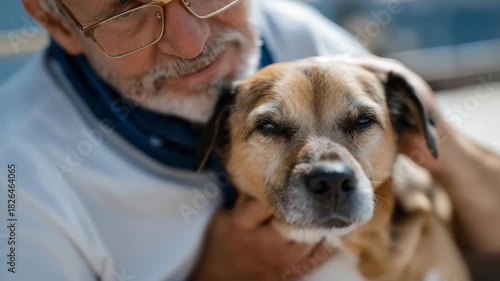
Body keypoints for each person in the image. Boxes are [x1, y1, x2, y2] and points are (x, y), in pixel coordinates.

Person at [0, 1, 498, 281]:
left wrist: (441, 140)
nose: (193, 43)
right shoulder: (17, 174)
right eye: (127, 12)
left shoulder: (293, 34)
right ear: (54, 21)